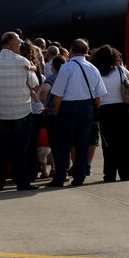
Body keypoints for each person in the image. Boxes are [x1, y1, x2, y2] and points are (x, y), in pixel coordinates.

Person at [0, 31, 39, 192]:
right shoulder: (22, 61)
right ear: (12, 44)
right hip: (21, 110)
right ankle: (22, 182)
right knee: (21, 149)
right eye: (19, 42)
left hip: (1, 111)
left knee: (2, 149)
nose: (20, 45)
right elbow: (34, 85)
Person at [47, 38, 105, 186]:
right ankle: (80, 177)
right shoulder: (93, 68)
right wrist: (95, 111)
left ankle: (60, 177)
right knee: (82, 144)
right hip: (87, 108)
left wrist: (59, 111)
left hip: (68, 107)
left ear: (71, 51)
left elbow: (58, 94)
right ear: (86, 51)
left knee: (63, 145)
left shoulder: (67, 68)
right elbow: (98, 96)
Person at [92, 45, 129, 183]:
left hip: (105, 110)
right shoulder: (120, 70)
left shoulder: (97, 73)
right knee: (124, 142)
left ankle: (110, 174)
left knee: (108, 144)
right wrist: (121, 66)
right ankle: (125, 173)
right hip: (122, 109)